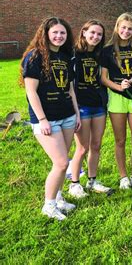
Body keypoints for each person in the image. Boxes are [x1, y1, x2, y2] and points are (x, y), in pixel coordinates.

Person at [21, 17, 80, 220]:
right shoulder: (35, 56)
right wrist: (42, 119)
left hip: (67, 116)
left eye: (62, 33)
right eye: (55, 32)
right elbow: (31, 91)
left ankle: (59, 197)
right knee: (62, 163)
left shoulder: (65, 56)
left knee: (63, 160)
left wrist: (77, 114)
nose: (59, 36)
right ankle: (49, 205)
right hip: (48, 119)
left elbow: (70, 88)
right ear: (45, 33)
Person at [100, 13, 132, 190]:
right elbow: (104, 78)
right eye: (123, 27)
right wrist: (119, 87)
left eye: (130, 29)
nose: (126, 31)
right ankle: (123, 176)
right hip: (118, 99)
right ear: (117, 27)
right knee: (120, 140)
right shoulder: (107, 50)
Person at [68, 20, 112, 198]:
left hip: (99, 105)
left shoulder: (101, 55)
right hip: (82, 105)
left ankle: (92, 181)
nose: (95, 36)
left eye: (99, 34)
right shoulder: (73, 54)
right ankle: (74, 184)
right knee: (82, 147)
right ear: (84, 32)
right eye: (92, 32)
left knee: (96, 145)